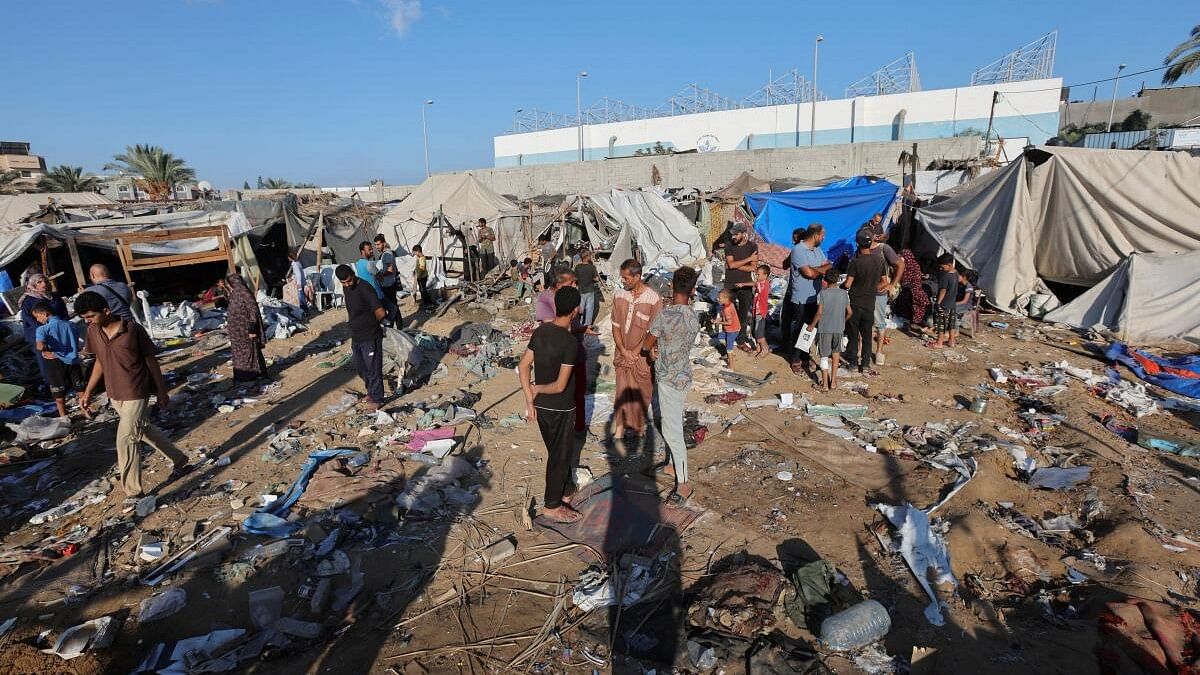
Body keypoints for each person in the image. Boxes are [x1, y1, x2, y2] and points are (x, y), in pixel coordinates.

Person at [75, 291, 192, 502]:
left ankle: (133, 492)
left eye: (91, 316)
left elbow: (151, 361)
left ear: (106, 311)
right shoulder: (93, 332)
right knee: (144, 430)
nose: (88, 321)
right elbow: (100, 362)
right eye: (85, 318)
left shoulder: (133, 330)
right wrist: (88, 391)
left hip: (136, 391)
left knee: (126, 439)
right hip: (114, 393)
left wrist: (161, 390)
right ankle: (180, 459)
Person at [518, 285, 583, 524]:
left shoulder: (541, 331)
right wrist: (536, 389)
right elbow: (559, 385)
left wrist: (530, 399)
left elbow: (523, 366)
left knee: (558, 451)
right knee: (559, 456)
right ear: (575, 310)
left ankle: (566, 489)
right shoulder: (569, 343)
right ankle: (552, 505)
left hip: (542, 408)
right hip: (560, 407)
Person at [644, 265, 700, 503]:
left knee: (672, 429)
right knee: (671, 421)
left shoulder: (665, 315)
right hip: (683, 375)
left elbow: (647, 344)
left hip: (668, 378)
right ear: (693, 290)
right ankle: (670, 465)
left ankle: (684, 483)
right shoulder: (693, 316)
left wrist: (654, 350)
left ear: (671, 286)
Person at [611, 259, 662, 438]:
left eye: (626, 278)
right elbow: (615, 326)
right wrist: (624, 351)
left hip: (642, 356)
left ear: (637, 276)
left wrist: (636, 351)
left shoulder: (653, 298)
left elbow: (654, 331)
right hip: (622, 352)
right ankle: (620, 428)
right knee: (622, 390)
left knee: (643, 391)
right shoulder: (619, 295)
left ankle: (638, 426)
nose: (623, 281)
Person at [336, 264, 387, 409]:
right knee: (361, 367)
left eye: (349, 281)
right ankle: (371, 392)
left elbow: (381, 312)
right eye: (344, 283)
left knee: (373, 368)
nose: (347, 284)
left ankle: (378, 398)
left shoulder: (365, 288)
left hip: (370, 335)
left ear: (353, 274)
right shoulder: (346, 288)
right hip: (356, 336)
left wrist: (369, 325)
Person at [842, 231, 888, 373]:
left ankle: (854, 364)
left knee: (854, 334)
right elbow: (884, 282)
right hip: (870, 303)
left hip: (856, 302)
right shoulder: (879, 260)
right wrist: (873, 288)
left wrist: (841, 285)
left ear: (857, 244)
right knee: (867, 335)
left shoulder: (856, 262)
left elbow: (848, 284)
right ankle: (866, 364)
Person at [787, 225, 831, 372]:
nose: (824, 238)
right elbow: (808, 274)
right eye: (822, 235)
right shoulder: (798, 250)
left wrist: (816, 269)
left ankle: (805, 356)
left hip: (815, 297)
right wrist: (819, 270)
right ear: (815, 235)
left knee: (810, 328)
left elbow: (828, 265)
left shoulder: (817, 250)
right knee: (800, 327)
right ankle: (795, 358)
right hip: (801, 298)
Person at [862, 221, 904, 365]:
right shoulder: (861, 248)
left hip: (879, 293)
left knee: (879, 323)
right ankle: (863, 352)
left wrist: (892, 284)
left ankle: (879, 352)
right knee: (864, 323)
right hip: (864, 292)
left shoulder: (883, 249)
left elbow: (900, 264)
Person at [32, 301, 80, 418]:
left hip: (55, 362)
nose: (38, 320)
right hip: (74, 360)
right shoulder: (70, 324)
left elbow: (40, 345)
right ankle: (85, 410)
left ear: (45, 314)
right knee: (80, 387)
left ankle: (63, 416)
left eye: (38, 316)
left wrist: (45, 349)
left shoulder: (42, 329)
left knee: (58, 393)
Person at [20, 273, 68, 388]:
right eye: (39, 282)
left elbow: (63, 313)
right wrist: (47, 331)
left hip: (58, 332)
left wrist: (63, 327)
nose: (44, 284)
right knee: (45, 360)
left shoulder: (54, 297)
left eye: (45, 281)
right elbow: (30, 320)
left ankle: (65, 382)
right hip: (39, 335)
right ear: (33, 285)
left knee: (61, 357)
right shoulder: (28, 300)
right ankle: (51, 385)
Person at [808, 268, 851, 391]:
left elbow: (819, 313)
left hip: (824, 328)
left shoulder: (822, 294)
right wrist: (843, 321)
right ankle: (834, 382)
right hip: (838, 328)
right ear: (838, 280)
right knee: (836, 355)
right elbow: (850, 312)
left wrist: (812, 325)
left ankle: (825, 384)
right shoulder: (844, 294)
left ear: (825, 280)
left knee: (824, 356)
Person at [225, 273, 268, 382]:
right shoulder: (234, 294)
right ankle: (243, 375)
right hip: (237, 334)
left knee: (250, 352)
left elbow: (253, 311)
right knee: (240, 354)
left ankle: (253, 374)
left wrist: (252, 329)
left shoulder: (245, 294)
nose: (229, 286)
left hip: (246, 331)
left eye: (229, 284)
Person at [723, 223, 758, 346]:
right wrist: (748, 260)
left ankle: (741, 340)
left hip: (745, 285)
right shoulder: (729, 246)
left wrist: (735, 265)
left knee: (743, 314)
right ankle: (728, 339)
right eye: (732, 234)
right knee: (728, 312)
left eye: (736, 234)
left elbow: (753, 268)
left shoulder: (752, 247)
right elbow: (731, 265)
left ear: (744, 234)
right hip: (730, 284)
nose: (733, 237)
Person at [894, 248, 930, 331]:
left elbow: (907, 281)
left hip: (912, 291)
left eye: (901, 256)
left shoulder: (911, 266)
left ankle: (908, 323)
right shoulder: (909, 265)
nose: (899, 258)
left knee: (907, 304)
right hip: (911, 290)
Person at [928, 254, 960, 349]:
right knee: (951, 323)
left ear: (949, 265)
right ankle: (951, 341)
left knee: (941, 323)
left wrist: (938, 303)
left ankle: (939, 342)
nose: (941, 269)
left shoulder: (945, 276)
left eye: (942, 267)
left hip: (944, 303)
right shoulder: (956, 273)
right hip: (952, 303)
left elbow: (943, 290)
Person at [373, 235, 400, 325]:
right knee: (392, 306)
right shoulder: (385, 254)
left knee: (393, 306)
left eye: (378, 244)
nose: (377, 247)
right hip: (387, 283)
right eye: (375, 245)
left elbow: (390, 270)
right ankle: (397, 325)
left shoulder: (387, 254)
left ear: (384, 243)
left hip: (389, 284)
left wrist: (379, 274)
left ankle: (398, 326)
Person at [574, 249, 599, 328]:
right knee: (589, 309)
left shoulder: (578, 267)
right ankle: (587, 325)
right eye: (590, 256)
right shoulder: (592, 267)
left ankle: (579, 324)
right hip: (590, 291)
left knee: (581, 308)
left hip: (581, 290)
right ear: (587, 257)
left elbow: (575, 278)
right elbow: (596, 279)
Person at [714, 289, 741, 367]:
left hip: (732, 330)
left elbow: (729, 322)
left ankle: (731, 365)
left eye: (719, 298)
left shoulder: (727, 309)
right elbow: (727, 318)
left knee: (729, 347)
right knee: (720, 337)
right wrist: (720, 319)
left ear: (726, 299)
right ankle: (729, 352)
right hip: (732, 329)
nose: (717, 299)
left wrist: (719, 322)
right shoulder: (730, 304)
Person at [751, 264, 771, 357]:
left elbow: (755, 284)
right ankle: (758, 348)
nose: (757, 276)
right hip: (756, 311)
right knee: (754, 330)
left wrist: (743, 284)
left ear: (765, 275)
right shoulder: (760, 283)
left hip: (760, 312)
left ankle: (765, 348)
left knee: (759, 332)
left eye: (758, 274)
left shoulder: (764, 284)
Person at [412, 245, 436, 309]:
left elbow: (422, 268)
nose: (414, 254)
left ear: (417, 251)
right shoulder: (420, 258)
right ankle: (428, 302)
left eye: (414, 252)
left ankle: (427, 303)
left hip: (422, 277)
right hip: (421, 277)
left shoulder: (422, 258)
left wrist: (419, 276)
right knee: (422, 290)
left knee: (423, 291)